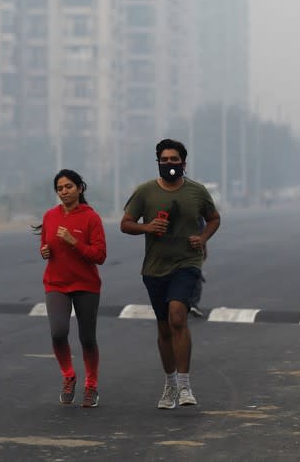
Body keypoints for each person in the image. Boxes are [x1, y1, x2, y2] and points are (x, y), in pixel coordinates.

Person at [120, 139, 220, 409]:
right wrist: (148, 227)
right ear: (158, 162)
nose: (169, 165)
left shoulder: (197, 192)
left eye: (174, 160)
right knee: (164, 328)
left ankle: (186, 386)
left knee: (178, 316)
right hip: (155, 268)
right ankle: (170, 384)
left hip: (187, 264)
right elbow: (125, 224)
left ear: (184, 163)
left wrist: (203, 237)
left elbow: (214, 218)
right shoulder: (145, 192)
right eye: (164, 160)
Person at [36, 169, 107, 408]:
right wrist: (43, 251)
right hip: (56, 283)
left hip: (86, 284)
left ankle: (92, 385)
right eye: (59, 188)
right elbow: (45, 245)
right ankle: (68, 376)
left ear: (80, 188)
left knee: (87, 338)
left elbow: (99, 256)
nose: (64, 192)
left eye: (68, 187)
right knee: (58, 332)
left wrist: (74, 242)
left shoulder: (91, 217)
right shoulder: (49, 216)